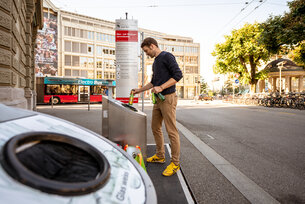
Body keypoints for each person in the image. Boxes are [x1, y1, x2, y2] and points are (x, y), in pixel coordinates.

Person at [132, 37, 183, 176]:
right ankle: (160, 155)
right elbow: (153, 82)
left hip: (168, 98)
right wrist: (139, 90)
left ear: (153, 46)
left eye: (146, 50)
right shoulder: (155, 62)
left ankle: (175, 163)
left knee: (171, 131)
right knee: (155, 127)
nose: (146, 53)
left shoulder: (167, 56)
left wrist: (162, 87)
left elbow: (178, 75)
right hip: (158, 100)